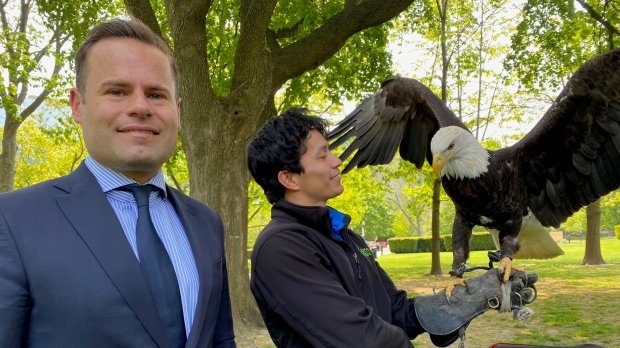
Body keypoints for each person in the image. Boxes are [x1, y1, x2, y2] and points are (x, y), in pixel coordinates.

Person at [0, 18, 235, 347]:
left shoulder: (207, 223)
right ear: (77, 105)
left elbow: (221, 339)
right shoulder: (13, 220)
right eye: (117, 91)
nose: (140, 107)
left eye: (156, 94)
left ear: (177, 112)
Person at [246, 108, 536, 347]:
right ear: (290, 179)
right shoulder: (281, 248)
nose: (336, 161)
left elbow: (395, 312)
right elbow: (361, 339)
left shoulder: (343, 234)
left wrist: (463, 299)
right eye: (322, 155)